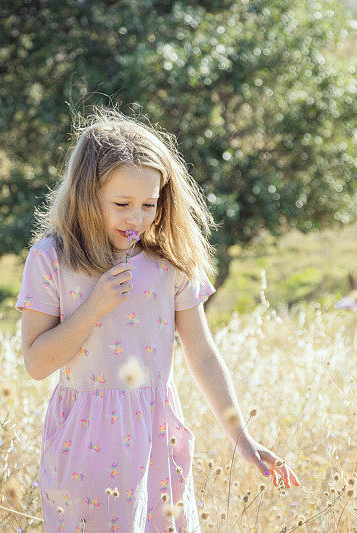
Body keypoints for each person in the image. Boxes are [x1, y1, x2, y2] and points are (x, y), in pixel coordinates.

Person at [15, 105, 300, 531]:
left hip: (157, 435)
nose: (137, 218)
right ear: (86, 195)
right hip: (85, 443)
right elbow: (37, 364)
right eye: (121, 203)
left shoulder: (171, 263)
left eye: (149, 204)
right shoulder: (52, 259)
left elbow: (201, 353)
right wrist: (94, 306)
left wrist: (243, 439)